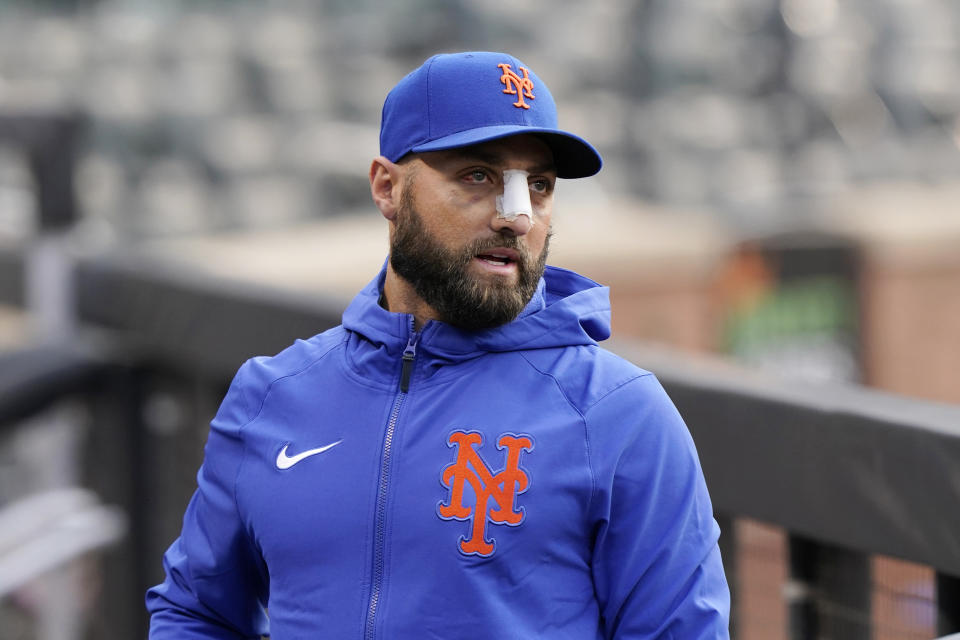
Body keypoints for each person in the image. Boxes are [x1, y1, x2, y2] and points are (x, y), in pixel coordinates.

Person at [146, 51, 730, 639]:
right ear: (387, 187)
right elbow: (197, 610)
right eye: (478, 176)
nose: (516, 216)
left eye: (539, 185)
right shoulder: (271, 395)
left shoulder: (619, 415)